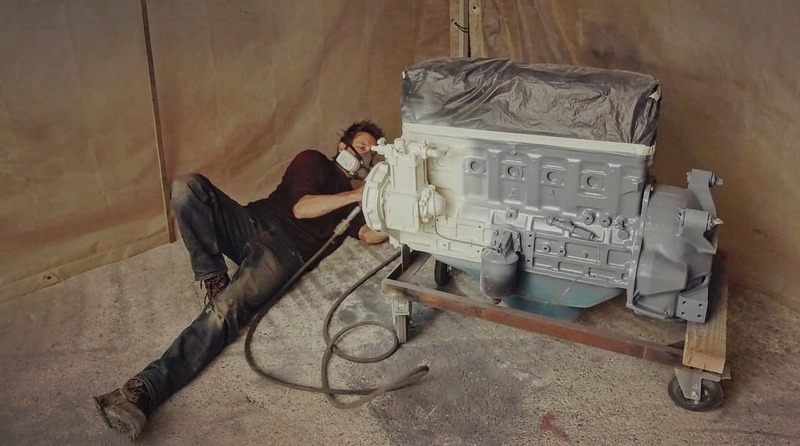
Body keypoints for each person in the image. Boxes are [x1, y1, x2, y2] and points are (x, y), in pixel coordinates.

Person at [93, 120, 389, 440]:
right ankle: (213, 277)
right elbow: (302, 208)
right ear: (342, 147)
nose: (367, 156)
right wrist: (355, 194)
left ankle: (142, 393)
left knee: (224, 312)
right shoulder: (314, 161)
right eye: (362, 146)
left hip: (283, 257)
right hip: (251, 221)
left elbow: (369, 234)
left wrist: (399, 210)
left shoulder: (360, 201)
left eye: (373, 152)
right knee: (187, 186)